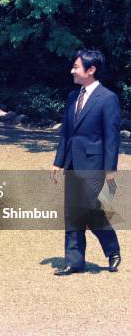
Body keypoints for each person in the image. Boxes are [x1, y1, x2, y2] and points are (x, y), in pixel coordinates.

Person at [50, 49, 122, 275]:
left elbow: (112, 137)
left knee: (90, 210)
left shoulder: (108, 98)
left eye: (76, 67)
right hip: (72, 162)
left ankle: (112, 250)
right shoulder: (73, 97)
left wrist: (110, 170)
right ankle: (74, 261)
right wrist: (58, 161)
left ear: (91, 70)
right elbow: (66, 134)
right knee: (72, 212)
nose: (72, 70)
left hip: (94, 165)